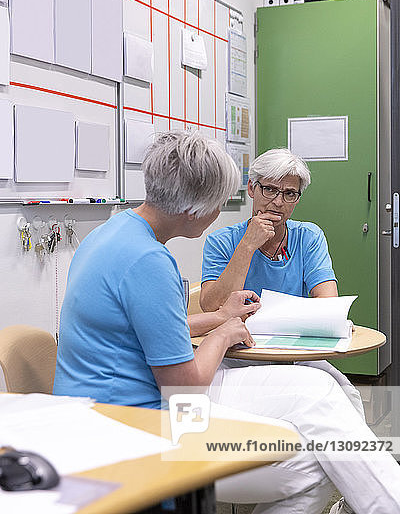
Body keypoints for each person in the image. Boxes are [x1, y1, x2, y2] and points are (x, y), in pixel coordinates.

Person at [53, 132, 400, 514]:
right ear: (193, 208)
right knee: (320, 462)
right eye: (220, 202)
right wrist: (222, 332)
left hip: (114, 401)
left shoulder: (111, 234)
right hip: (138, 422)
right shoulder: (149, 262)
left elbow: (144, 328)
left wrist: (218, 317)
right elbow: (185, 390)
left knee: (321, 391)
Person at [200, 148, 364, 417]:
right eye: (270, 190)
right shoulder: (222, 241)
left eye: (289, 194)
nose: (278, 202)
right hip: (239, 354)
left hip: (297, 351)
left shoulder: (308, 236)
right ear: (252, 188)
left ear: (297, 198)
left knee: (345, 397)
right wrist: (247, 246)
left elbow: (327, 302)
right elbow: (212, 307)